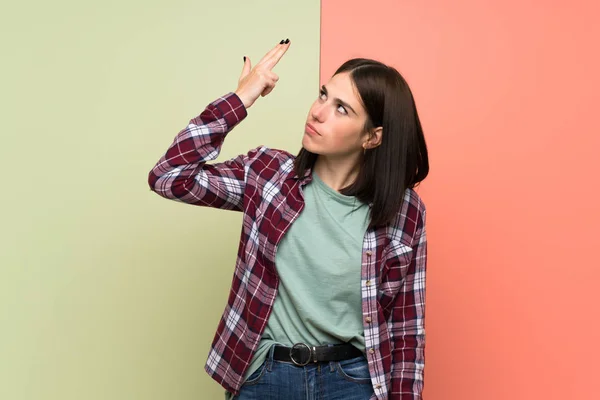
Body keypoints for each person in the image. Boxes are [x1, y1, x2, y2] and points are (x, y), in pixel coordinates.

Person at [148, 38, 429, 400]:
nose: (318, 112)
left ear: (372, 138)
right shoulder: (268, 176)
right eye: (323, 95)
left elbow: (407, 328)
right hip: (266, 378)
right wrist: (239, 100)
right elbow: (169, 176)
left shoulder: (404, 211)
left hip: (353, 383)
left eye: (342, 109)